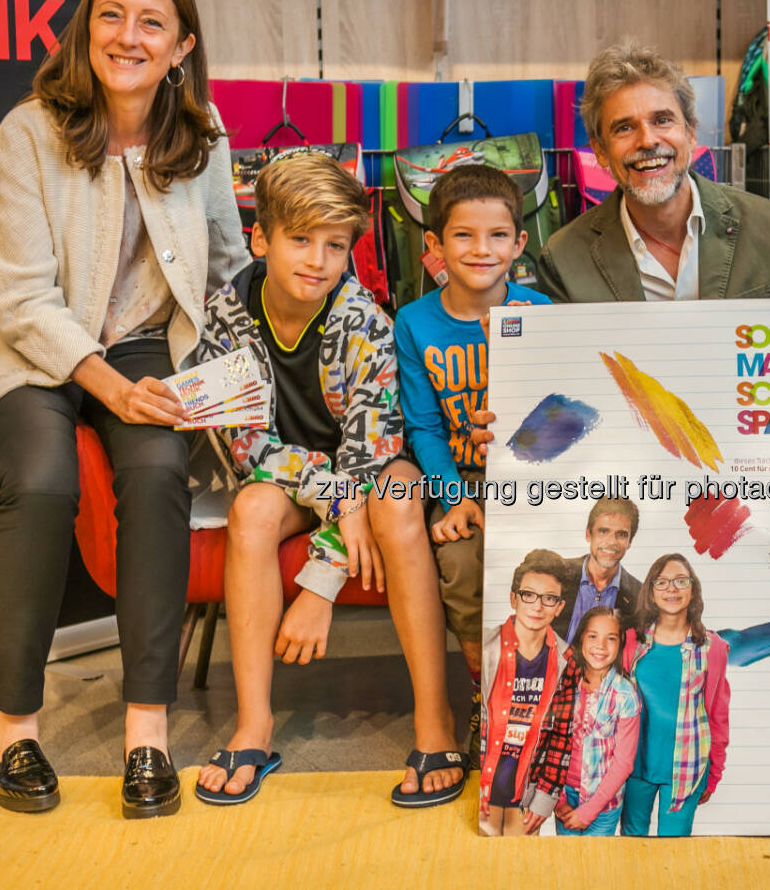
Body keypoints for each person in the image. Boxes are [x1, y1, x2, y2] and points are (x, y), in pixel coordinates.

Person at [0, 0, 245, 818]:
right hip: (26, 346)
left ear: (181, 45)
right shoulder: (29, 131)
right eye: (111, 15)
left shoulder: (206, 134)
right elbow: (24, 296)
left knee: (158, 473)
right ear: (87, 28)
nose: (128, 36)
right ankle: (16, 729)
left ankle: (146, 734)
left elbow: (227, 266)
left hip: (148, 342)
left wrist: (240, 375)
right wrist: (110, 389)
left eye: (152, 21)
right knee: (39, 484)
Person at [191, 153, 462, 807]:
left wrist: (319, 586)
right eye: (300, 239)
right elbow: (246, 446)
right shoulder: (226, 316)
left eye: (335, 245)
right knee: (253, 509)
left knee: (395, 500)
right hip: (297, 478)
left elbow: (370, 461)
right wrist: (333, 499)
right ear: (261, 239)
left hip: (372, 468)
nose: (317, 259)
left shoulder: (364, 323)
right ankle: (253, 725)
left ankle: (436, 722)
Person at [374, 164, 550, 780]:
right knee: (460, 562)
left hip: (532, 477)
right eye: (464, 237)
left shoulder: (540, 310)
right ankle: (489, 692)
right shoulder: (415, 323)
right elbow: (422, 427)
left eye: (498, 236)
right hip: (464, 482)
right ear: (435, 246)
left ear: (519, 244)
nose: (482, 250)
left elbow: (561, 409)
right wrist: (453, 499)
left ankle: (545, 692)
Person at [536, 41, 770, 303]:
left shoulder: (769, 228)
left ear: (691, 133)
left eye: (662, 120)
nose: (647, 141)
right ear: (600, 151)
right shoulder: (563, 258)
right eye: (625, 128)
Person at [620, 554, 730, 837]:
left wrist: (714, 773)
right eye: (662, 582)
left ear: (693, 590)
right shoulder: (632, 640)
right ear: (651, 592)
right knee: (632, 844)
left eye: (681, 581)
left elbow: (717, 715)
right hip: (634, 765)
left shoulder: (711, 647)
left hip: (687, 766)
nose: (672, 589)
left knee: (674, 849)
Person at [478, 550, 577, 836]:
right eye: (529, 595)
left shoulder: (566, 661)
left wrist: (544, 802)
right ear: (514, 598)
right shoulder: (487, 648)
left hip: (527, 791)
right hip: (484, 786)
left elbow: (561, 737)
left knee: (519, 867)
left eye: (549, 599)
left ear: (559, 607)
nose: (537, 606)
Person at [554, 606, 641, 836]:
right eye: (593, 636)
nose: (600, 646)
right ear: (581, 637)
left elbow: (624, 763)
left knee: (598, 865)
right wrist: (558, 798)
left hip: (603, 805)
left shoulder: (625, 694)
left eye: (610, 638)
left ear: (620, 642)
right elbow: (552, 742)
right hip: (565, 797)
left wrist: (588, 812)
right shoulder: (564, 684)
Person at [551, 497, 645, 643]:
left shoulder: (641, 597)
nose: (611, 541)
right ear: (588, 534)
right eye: (603, 531)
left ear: (630, 542)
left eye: (621, 534)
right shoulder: (554, 574)